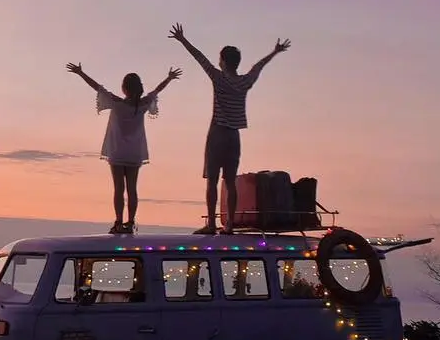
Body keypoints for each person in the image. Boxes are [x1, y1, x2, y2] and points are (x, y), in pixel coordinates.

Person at [168, 23, 290, 234]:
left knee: (212, 181)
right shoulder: (244, 83)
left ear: (223, 62)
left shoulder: (219, 78)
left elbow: (200, 58)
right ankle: (230, 225)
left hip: (217, 133)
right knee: (230, 182)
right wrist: (275, 52)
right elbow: (258, 67)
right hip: (234, 136)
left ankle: (212, 224)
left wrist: (182, 39)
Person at [66, 63, 182, 233]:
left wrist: (80, 73)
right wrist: (169, 78)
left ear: (124, 88)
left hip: (117, 151)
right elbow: (157, 90)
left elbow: (97, 87)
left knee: (119, 188)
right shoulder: (142, 105)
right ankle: (130, 222)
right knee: (132, 189)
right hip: (135, 153)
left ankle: (118, 222)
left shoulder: (117, 103)